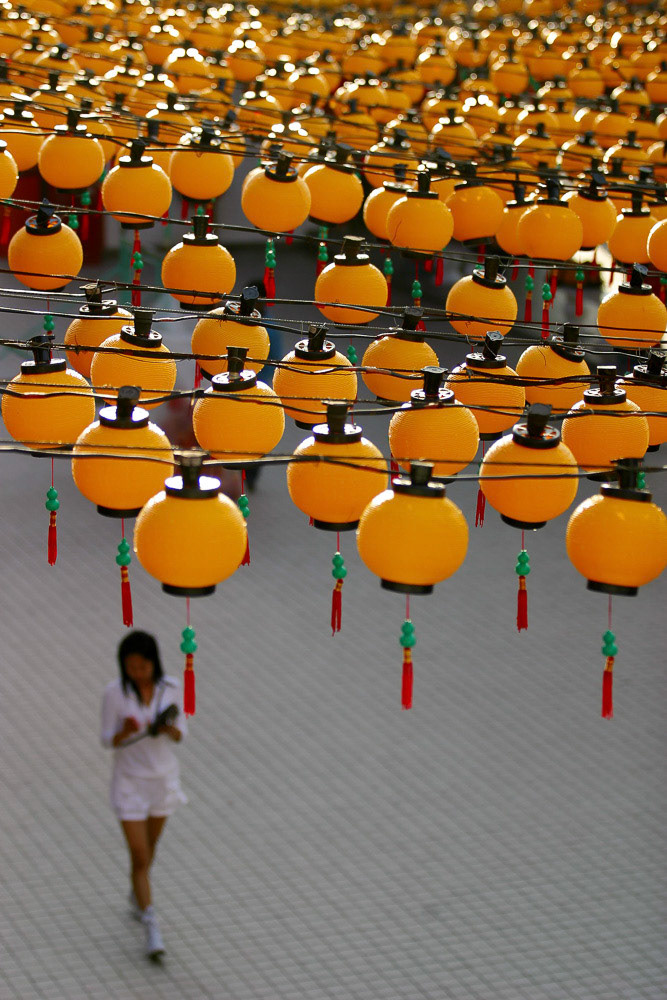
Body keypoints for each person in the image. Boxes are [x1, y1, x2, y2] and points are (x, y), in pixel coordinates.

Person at [101, 631, 188, 961]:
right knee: (139, 853)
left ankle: (138, 893)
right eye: (131, 667)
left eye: (143, 666)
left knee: (149, 848)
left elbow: (181, 734)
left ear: (154, 663)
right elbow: (107, 739)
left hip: (161, 780)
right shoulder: (114, 693)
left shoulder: (172, 687)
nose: (137, 672)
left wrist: (167, 728)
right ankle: (150, 920)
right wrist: (123, 732)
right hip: (129, 783)